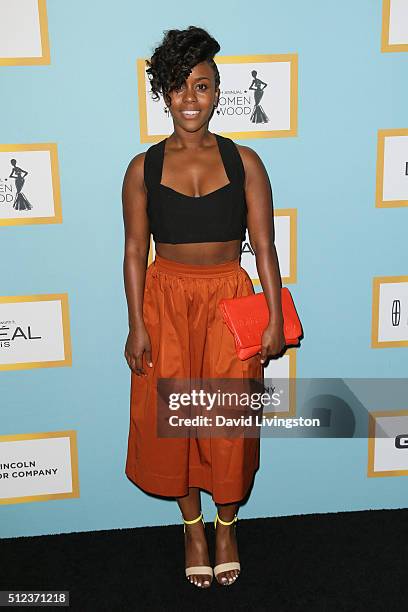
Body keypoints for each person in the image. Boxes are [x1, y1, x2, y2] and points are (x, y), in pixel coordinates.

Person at [122, 26, 285, 589]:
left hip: (228, 301)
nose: (191, 100)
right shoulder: (141, 168)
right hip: (164, 300)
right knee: (177, 425)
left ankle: (226, 524)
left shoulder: (246, 162)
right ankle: (191, 526)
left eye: (203, 86)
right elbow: (133, 250)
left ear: (218, 92)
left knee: (226, 424)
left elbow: (264, 246)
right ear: (163, 95)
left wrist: (273, 316)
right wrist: (136, 325)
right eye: (179, 88)